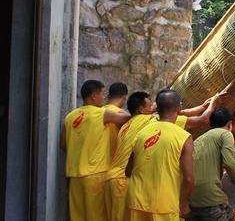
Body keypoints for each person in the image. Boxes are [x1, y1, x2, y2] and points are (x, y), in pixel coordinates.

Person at [60, 80, 131, 221]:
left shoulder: (70, 117)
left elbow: (63, 145)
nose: (104, 98)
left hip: (74, 177)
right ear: (93, 96)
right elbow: (127, 117)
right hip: (95, 175)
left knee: (77, 217)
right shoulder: (100, 113)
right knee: (97, 216)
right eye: (102, 94)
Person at [126, 89, 194, 220]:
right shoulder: (184, 137)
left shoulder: (142, 133)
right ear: (179, 108)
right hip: (164, 205)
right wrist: (184, 203)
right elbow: (189, 178)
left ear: (157, 108)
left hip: (136, 201)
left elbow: (128, 171)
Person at [188, 107, 235, 221]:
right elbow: (230, 163)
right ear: (230, 124)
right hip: (209, 198)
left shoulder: (200, 139)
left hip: (190, 198)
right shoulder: (225, 134)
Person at [105, 91, 155, 221]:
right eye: (149, 107)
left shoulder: (127, 124)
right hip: (122, 179)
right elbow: (170, 115)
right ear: (140, 109)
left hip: (112, 177)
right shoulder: (144, 120)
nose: (151, 109)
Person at [104, 82, 128, 157]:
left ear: (108, 96)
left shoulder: (98, 112)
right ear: (124, 98)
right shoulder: (121, 114)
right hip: (112, 161)